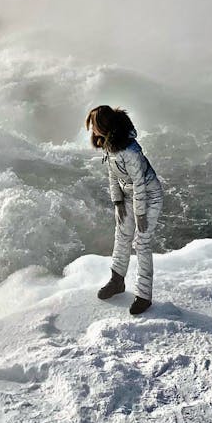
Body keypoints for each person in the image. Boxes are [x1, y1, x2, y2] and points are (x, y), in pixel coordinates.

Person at [87, 104, 163, 315]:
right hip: (129, 196)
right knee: (122, 236)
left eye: (93, 124)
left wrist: (140, 213)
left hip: (149, 196)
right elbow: (113, 175)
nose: (91, 129)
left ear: (103, 125)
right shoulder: (109, 146)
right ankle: (117, 281)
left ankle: (144, 296)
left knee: (142, 242)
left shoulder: (130, 151)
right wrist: (118, 202)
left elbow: (139, 183)